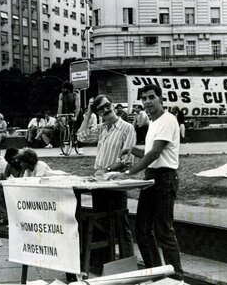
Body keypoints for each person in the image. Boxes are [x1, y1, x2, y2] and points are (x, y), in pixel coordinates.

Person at [109, 84, 184, 280]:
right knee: (142, 229)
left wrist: (128, 172)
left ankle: (176, 278)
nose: (147, 102)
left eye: (151, 97)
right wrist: (132, 149)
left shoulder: (169, 120)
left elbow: (155, 153)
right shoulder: (154, 123)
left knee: (163, 231)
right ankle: (158, 276)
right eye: (144, 99)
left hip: (165, 178)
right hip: (152, 178)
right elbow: (149, 152)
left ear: (161, 98)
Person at [77, 94, 136, 275]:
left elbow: (127, 160)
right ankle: (101, 266)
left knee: (121, 224)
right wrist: (87, 113)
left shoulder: (127, 128)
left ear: (113, 105)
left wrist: (108, 169)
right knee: (100, 222)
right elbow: (81, 136)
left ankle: (128, 267)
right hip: (99, 183)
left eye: (107, 105)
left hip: (115, 183)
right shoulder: (102, 128)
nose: (105, 110)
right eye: (100, 108)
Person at [0, 147, 24, 225]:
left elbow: (22, 181)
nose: (15, 161)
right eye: (12, 160)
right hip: (14, 186)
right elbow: (4, 177)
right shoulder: (10, 165)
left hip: (23, 187)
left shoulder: (23, 164)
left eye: (16, 158)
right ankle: (5, 217)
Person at [57, 81, 83, 154]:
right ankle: (66, 148)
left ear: (68, 89)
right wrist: (59, 115)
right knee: (66, 130)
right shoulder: (61, 95)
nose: (62, 90)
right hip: (68, 113)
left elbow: (78, 107)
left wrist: (76, 117)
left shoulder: (75, 95)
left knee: (78, 130)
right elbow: (60, 107)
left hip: (76, 113)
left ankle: (80, 147)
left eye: (64, 89)